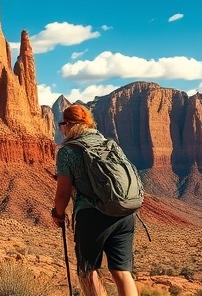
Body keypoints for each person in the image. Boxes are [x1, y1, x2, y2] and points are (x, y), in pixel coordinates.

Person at [52, 104, 139, 296]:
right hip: (124, 213)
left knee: (87, 271)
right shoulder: (109, 143)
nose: (61, 129)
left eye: (61, 124)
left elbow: (63, 193)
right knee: (122, 272)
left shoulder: (68, 151)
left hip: (93, 215)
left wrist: (57, 213)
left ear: (68, 124)